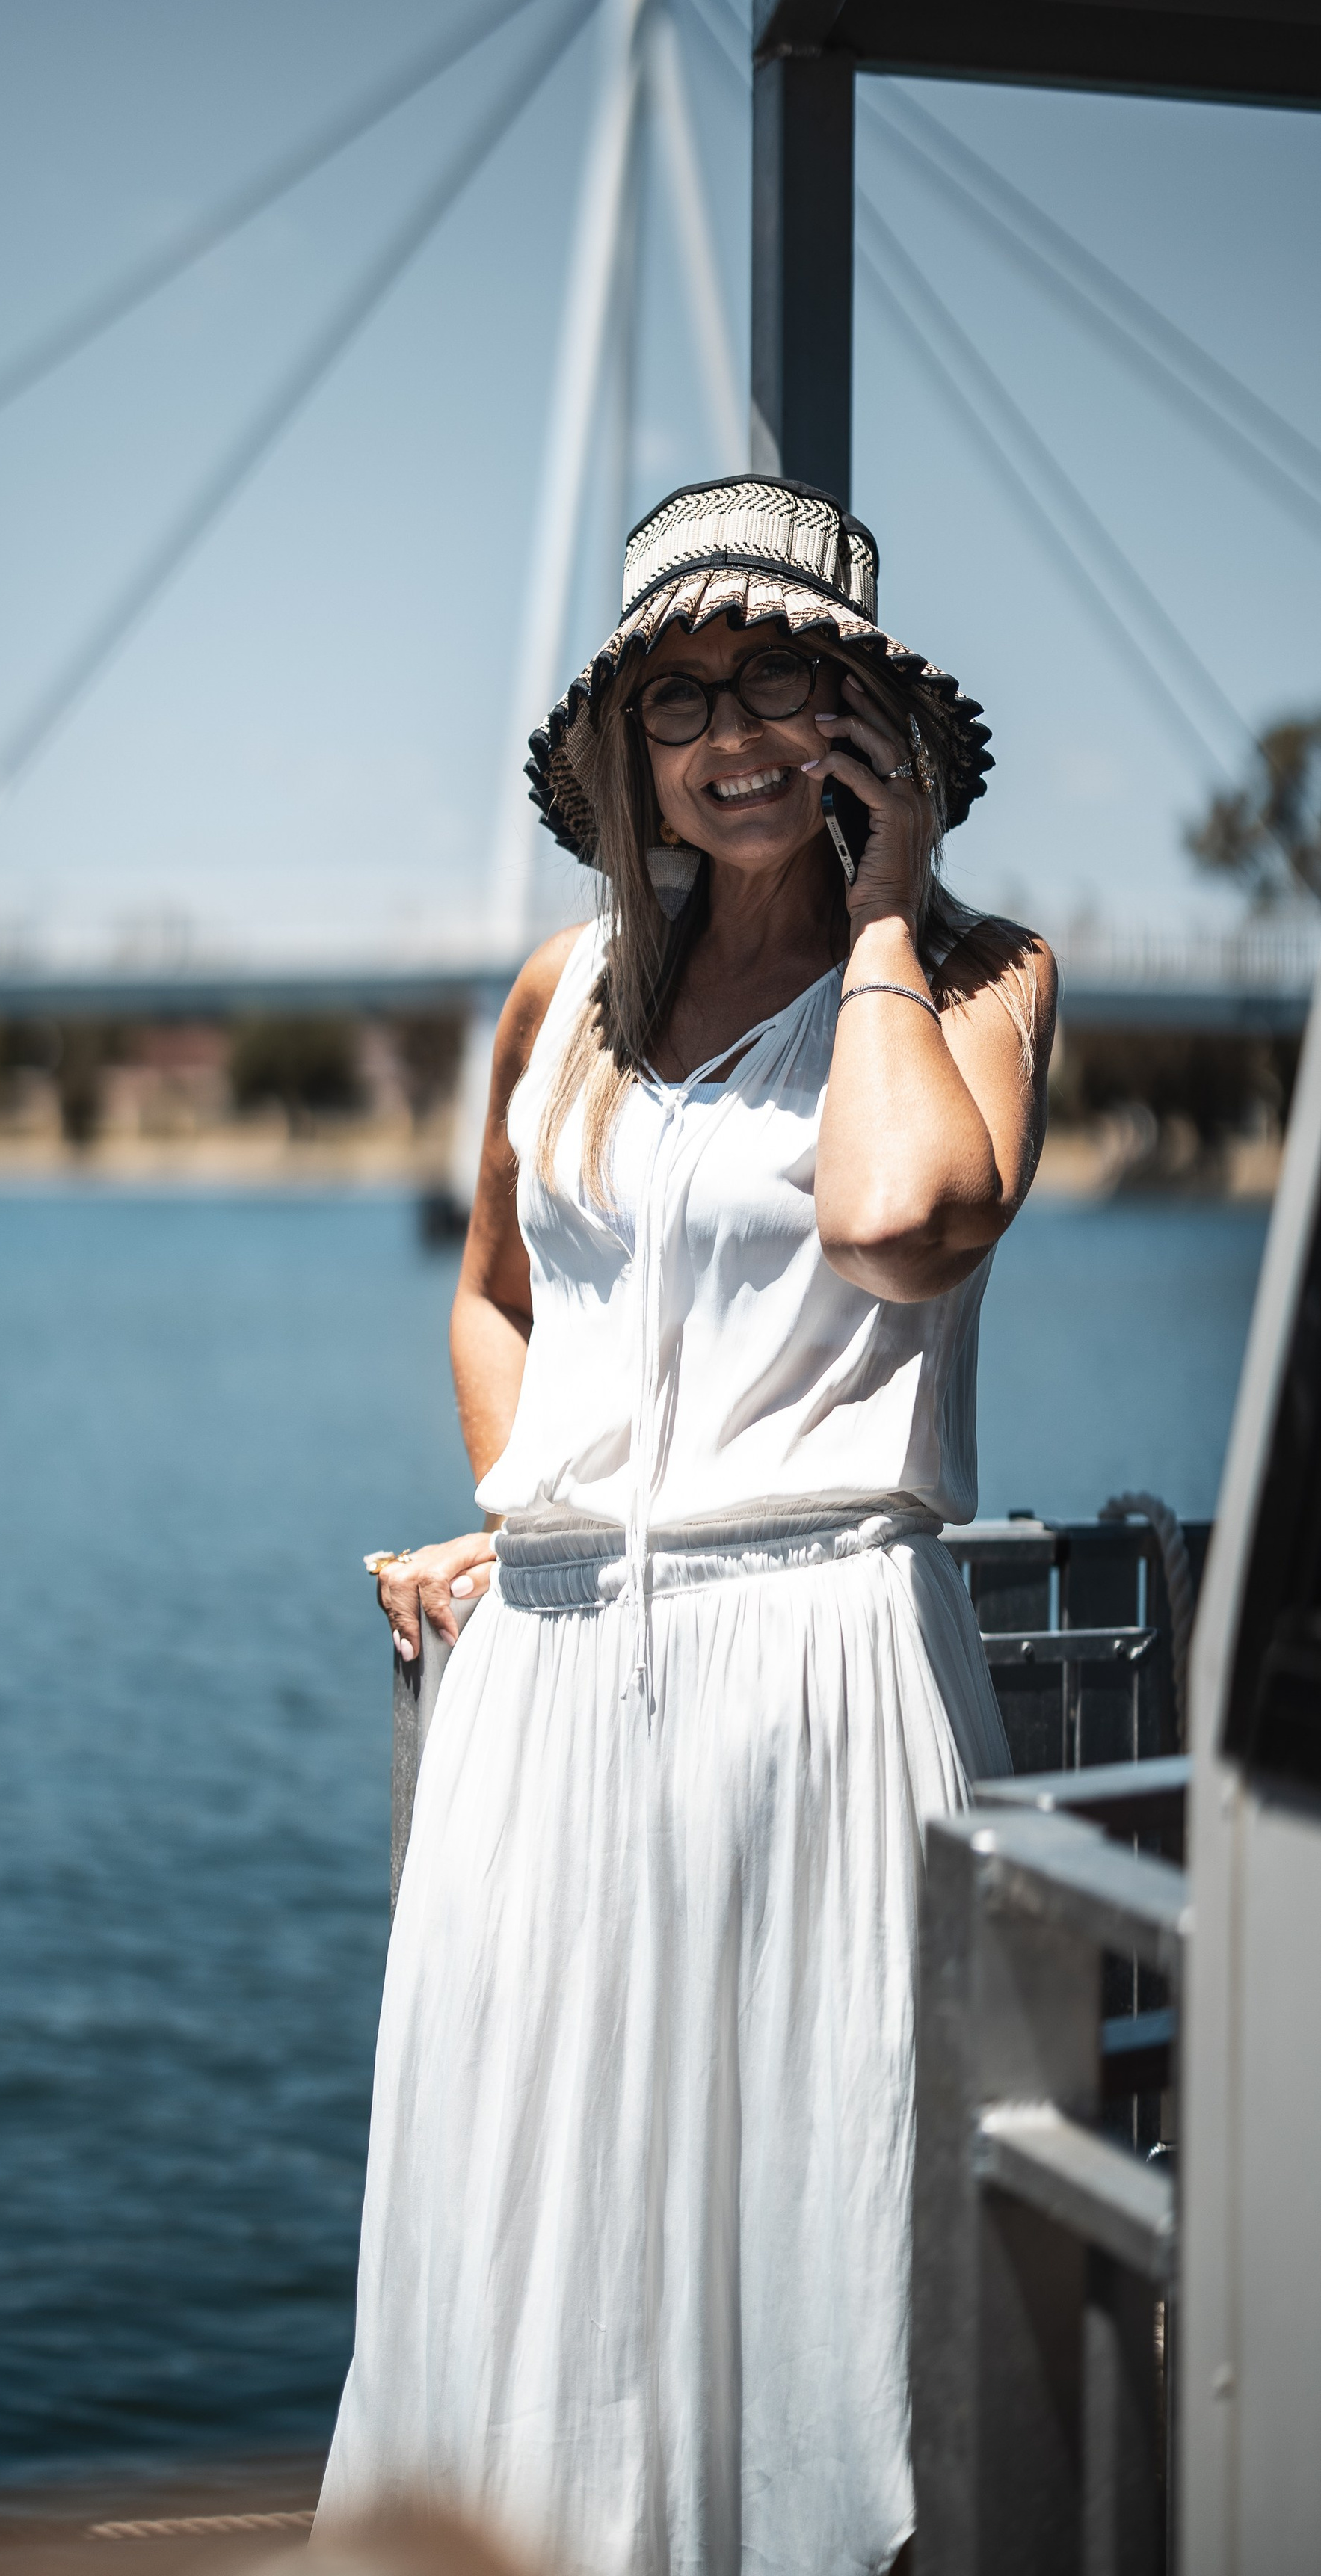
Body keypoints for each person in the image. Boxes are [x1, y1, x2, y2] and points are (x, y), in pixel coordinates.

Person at [316, 477, 1055, 2576]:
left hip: (818, 1680)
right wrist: (522, 1510)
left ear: (872, 721)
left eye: (786, 684)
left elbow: (898, 1224)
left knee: (806, 2233)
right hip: (547, 1695)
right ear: (626, 744)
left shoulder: (987, 981)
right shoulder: (562, 998)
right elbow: (495, 1288)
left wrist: (891, 900)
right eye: (681, 695)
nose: (733, 735)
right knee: (537, 2207)